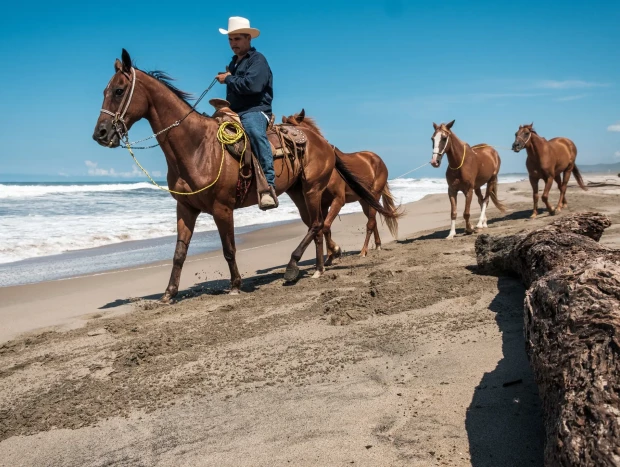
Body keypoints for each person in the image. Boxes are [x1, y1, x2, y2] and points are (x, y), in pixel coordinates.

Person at [216, 16, 277, 209]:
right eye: (230, 40)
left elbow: (253, 86)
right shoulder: (234, 63)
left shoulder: (258, 60)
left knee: (254, 132)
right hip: (235, 111)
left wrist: (228, 79)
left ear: (248, 39)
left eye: (237, 39)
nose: (233, 44)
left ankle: (268, 185)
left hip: (256, 110)